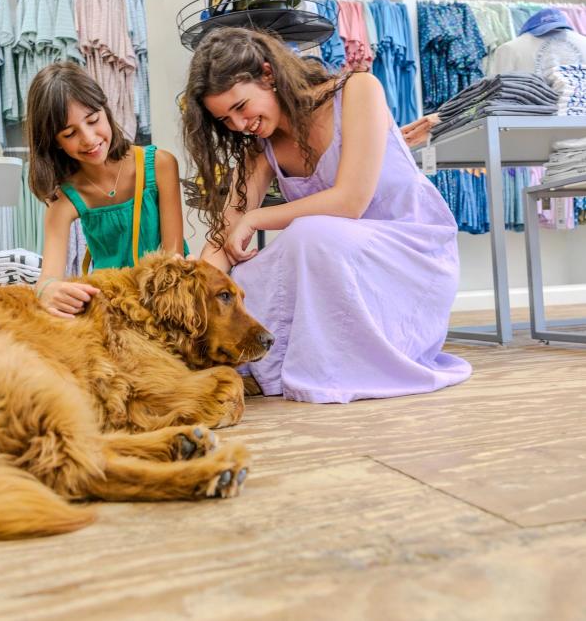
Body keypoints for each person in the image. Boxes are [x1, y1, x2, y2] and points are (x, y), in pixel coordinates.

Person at [182, 27, 471, 403]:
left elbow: (350, 201)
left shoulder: (357, 90)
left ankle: (324, 369)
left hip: (411, 254)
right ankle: (245, 371)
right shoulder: (259, 148)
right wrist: (194, 285)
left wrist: (253, 220)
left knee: (310, 234)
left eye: (240, 107)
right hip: (343, 260)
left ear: (268, 75)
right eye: (225, 120)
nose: (239, 125)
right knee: (247, 277)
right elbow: (224, 233)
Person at [27, 62, 188, 318]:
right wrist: (48, 290)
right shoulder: (64, 199)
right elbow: (47, 278)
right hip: (112, 310)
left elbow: (173, 260)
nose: (89, 138)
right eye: (70, 134)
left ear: (106, 109)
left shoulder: (160, 166)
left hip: (166, 305)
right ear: (54, 143)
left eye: (93, 120)